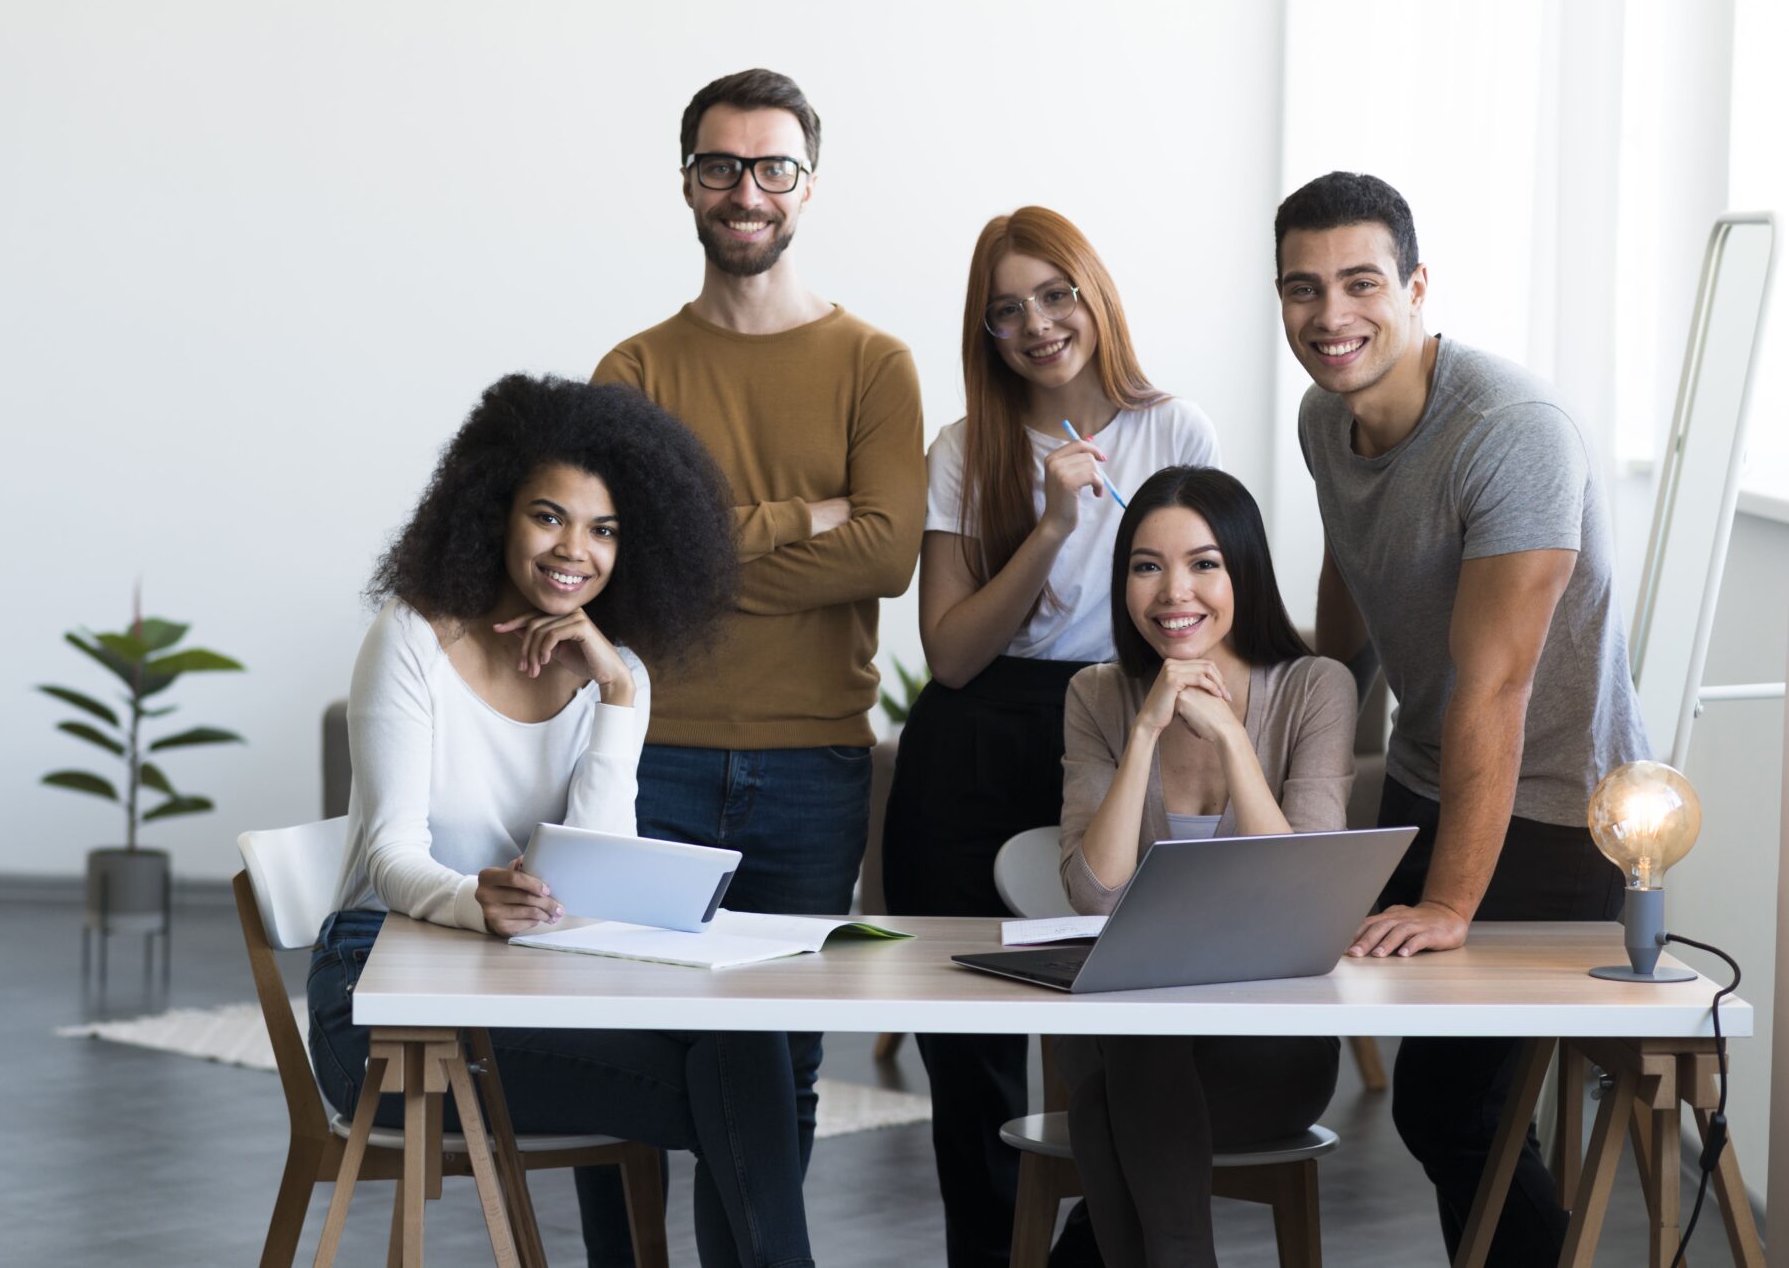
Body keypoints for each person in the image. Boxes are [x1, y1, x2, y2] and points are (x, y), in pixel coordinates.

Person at [307, 373, 817, 1268]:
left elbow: (596, 875)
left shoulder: (614, 673)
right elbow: (390, 855)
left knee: (742, 1042)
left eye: (605, 528)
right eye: (549, 516)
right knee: (733, 1083)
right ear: (496, 512)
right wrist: (477, 900)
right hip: (383, 1011)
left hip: (519, 986)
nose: (573, 549)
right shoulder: (415, 638)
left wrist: (615, 694)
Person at [1277, 170, 1651, 1264]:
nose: (1330, 316)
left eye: (1358, 283)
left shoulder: (1509, 432)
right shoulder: (1323, 412)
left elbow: (1498, 687)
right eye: (1302, 289)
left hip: (1546, 809)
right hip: (1426, 775)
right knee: (1447, 1110)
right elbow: (1349, 568)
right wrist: (1312, 697)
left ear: (1415, 285)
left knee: (1451, 1108)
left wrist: (1448, 899)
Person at [585, 66, 926, 1260]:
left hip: (810, 771)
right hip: (651, 757)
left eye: (770, 166)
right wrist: (804, 517)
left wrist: (711, 536)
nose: (745, 190)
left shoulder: (872, 364)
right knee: (624, 1060)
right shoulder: (631, 372)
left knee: (778, 1068)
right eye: (720, 165)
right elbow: (624, 569)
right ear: (686, 181)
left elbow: (884, 555)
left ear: (807, 186)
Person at [881, 206, 1219, 1268]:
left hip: (1118, 724)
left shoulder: (1174, 429)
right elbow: (951, 652)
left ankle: (1082, 1249)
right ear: (984, 334)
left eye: (1053, 293)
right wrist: (1052, 526)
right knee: (967, 1043)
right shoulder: (961, 447)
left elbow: (1206, 601)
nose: (1035, 324)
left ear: (1093, 291)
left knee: (1126, 1024)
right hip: (972, 740)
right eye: (1005, 310)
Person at [1054, 465, 1356, 1268]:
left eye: (1204, 563)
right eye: (1146, 565)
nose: (1172, 591)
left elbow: (1300, 898)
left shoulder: (1316, 687)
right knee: (1133, 1042)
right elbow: (1093, 893)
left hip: (1270, 1047)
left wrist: (1229, 735)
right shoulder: (1097, 696)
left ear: (1243, 572)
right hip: (1135, 1046)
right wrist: (1148, 731)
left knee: (1103, 1099)